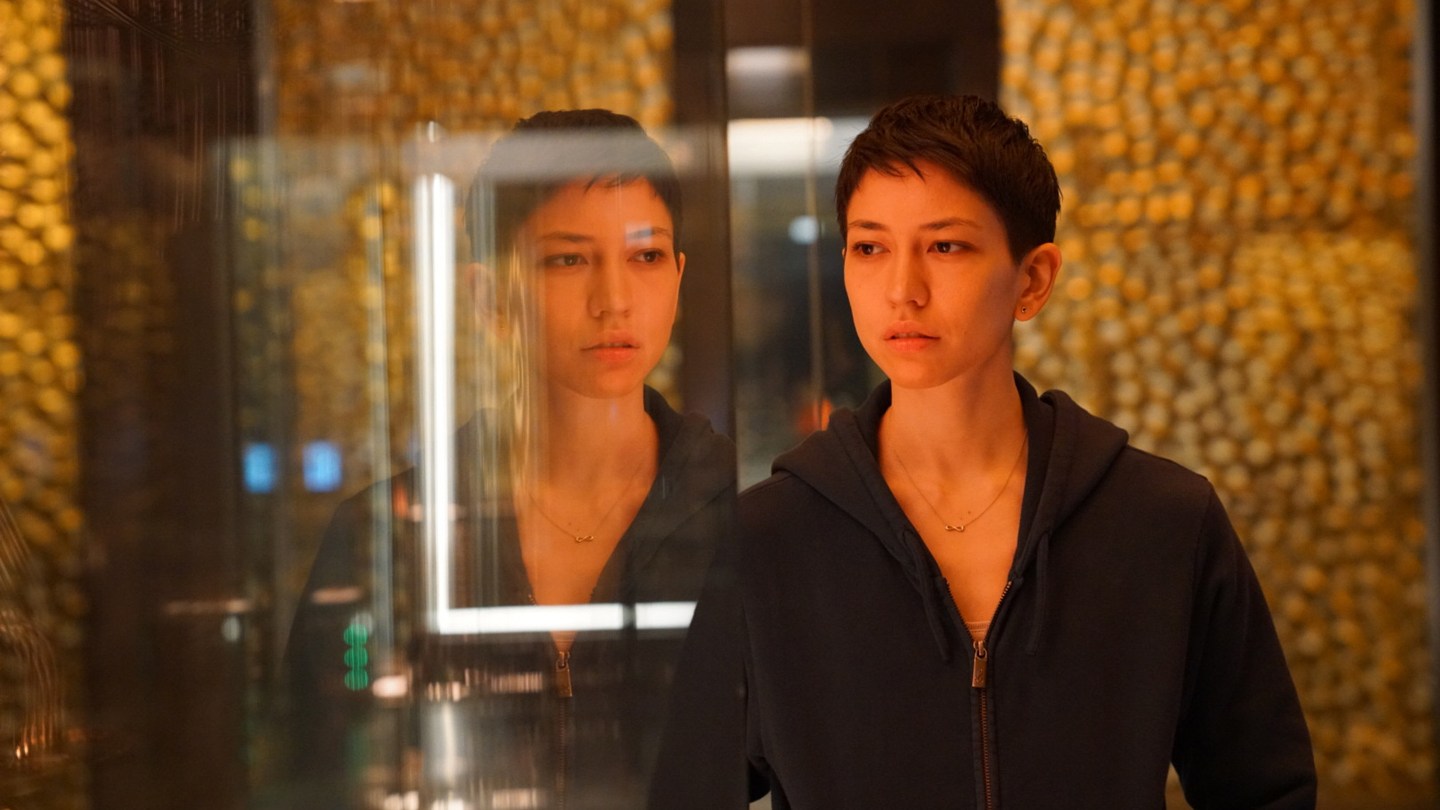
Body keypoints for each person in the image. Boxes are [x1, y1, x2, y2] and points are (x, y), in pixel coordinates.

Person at [649, 94, 1315, 809]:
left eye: (945, 246)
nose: (902, 290)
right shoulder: (766, 539)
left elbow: (1264, 790)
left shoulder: (1164, 521)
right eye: (870, 248)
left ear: (1034, 279)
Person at [284, 109, 735, 809]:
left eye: (645, 256)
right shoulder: (390, 531)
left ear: (678, 278)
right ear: (488, 295)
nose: (614, 300)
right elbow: (319, 771)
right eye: (567, 259)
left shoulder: (745, 513)